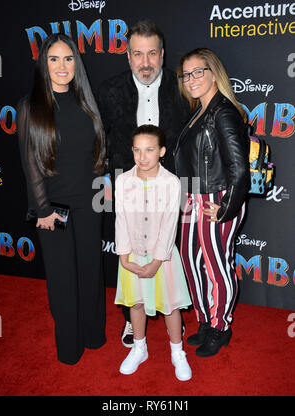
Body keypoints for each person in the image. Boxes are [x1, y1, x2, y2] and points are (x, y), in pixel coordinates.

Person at [97, 19, 190, 347]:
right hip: (129, 184)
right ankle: (131, 322)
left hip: (170, 183)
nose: (146, 63)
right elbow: (100, 138)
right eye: (138, 54)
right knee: (132, 249)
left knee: (168, 251)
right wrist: (105, 178)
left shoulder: (181, 87)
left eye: (152, 54)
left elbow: (192, 137)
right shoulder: (110, 89)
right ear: (128, 55)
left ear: (162, 54)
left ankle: (172, 313)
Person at [17, 33, 106, 365]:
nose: (61, 65)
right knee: (62, 279)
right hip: (53, 207)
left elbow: (98, 150)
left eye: (68, 58)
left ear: (76, 63)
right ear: (43, 64)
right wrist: (41, 208)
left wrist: (101, 188)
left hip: (89, 202)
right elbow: (30, 162)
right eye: (53, 59)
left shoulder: (86, 101)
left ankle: (94, 335)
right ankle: (70, 346)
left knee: (90, 271)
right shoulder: (31, 106)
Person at [174, 48, 249, 357]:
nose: (190, 79)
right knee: (192, 265)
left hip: (217, 199)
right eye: (185, 74)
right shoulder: (199, 112)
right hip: (193, 198)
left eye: (198, 72)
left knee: (217, 268)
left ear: (214, 72)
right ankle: (205, 320)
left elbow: (239, 167)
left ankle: (221, 327)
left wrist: (227, 207)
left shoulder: (224, 111)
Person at [114, 124, 192, 381]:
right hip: (133, 255)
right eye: (137, 150)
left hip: (164, 258)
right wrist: (124, 257)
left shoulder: (171, 183)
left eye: (149, 150)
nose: (142, 156)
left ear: (162, 151)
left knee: (170, 306)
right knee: (135, 302)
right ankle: (139, 348)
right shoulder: (123, 180)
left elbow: (170, 225)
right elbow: (121, 219)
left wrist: (157, 260)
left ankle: (177, 352)